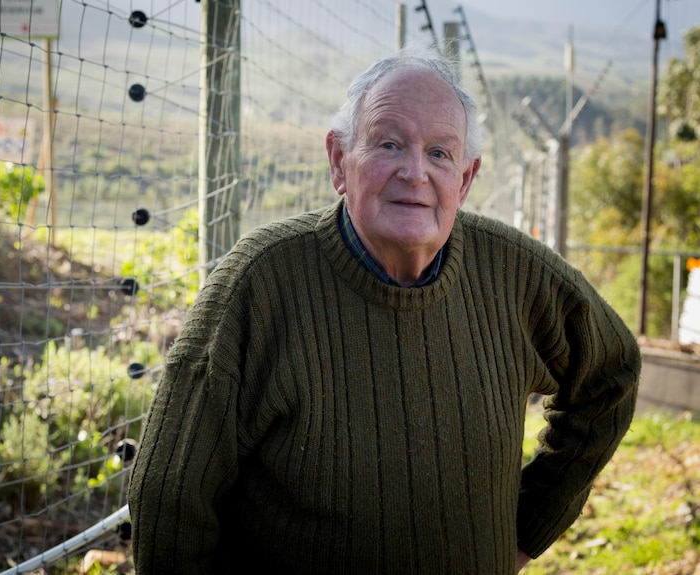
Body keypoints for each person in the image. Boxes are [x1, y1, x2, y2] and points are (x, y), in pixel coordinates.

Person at [126, 43, 641, 574]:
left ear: (465, 180)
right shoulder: (259, 284)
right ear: (338, 161)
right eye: (389, 144)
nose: (415, 172)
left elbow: (612, 371)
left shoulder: (515, 273)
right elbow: (170, 501)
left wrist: (529, 528)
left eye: (441, 153)